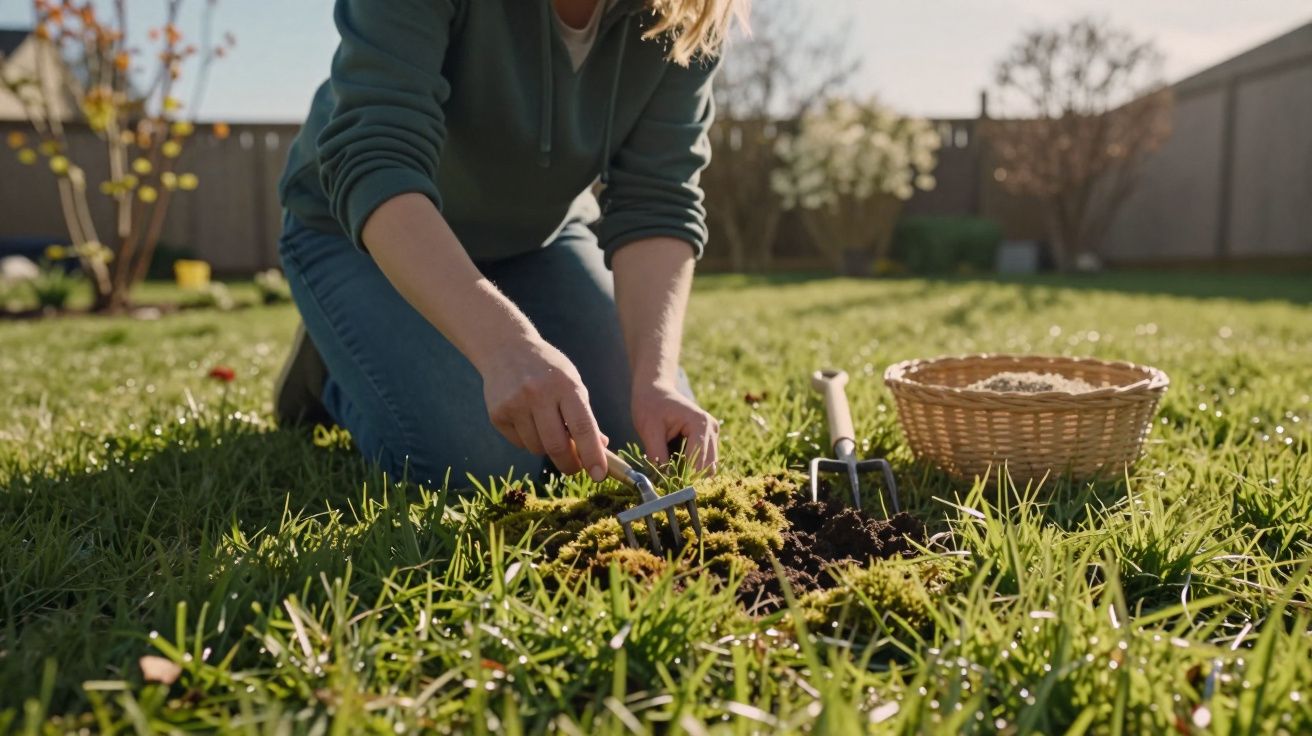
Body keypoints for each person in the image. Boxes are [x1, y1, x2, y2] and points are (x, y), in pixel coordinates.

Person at [273, 0, 745, 489]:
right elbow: (376, 158)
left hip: (536, 240)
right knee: (482, 463)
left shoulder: (686, 9)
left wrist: (656, 379)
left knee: (647, 438)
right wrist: (505, 346)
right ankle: (335, 367)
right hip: (362, 231)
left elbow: (658, 198)